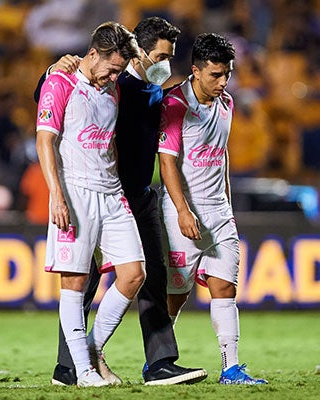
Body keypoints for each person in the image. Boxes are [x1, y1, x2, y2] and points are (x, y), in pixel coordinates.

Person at [35, 16, 208, 386]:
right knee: (82, 282)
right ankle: (72, 367)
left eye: (170, 56)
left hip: (134, 195)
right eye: (161, 55)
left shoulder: (152, 91)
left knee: (148, 275)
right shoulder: (117, 84)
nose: (166, 64)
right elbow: (52, 100)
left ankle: (158, 362)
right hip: (91, 191)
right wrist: (52, 68)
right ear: (140, 54)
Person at [35, 21, 145, 388]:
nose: (114, 76)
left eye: (119, 70)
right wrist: (56, 194)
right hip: (76, 192)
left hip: (111, 193)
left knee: (134, 274)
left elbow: (108, 140)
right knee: (76, 283)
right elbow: (44, 141)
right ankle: (81, 371)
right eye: (111, 68)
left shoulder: (111, 88)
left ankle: (91, 352)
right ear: (93, 54)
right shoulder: (60, 82)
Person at [158, 33, 268, 385]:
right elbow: (167, 162)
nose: (223, 82)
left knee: (224, 288)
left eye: (227, 75)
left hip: (219, 213)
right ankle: (157, 359)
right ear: (195, 71)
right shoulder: (174, 104)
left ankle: (230, 367)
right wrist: (182, 210)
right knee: (176, 294)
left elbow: (221, 155)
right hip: (182, 213)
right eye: (215, 75)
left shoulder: (227, 104)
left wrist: (228, 204)